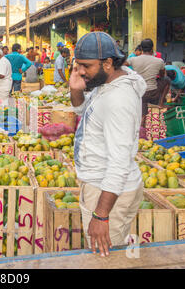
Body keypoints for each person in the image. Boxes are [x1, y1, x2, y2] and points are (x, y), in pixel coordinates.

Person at [70, 31, 146, 257]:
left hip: (108, 191)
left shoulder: (118, 99)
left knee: (106, 259)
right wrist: (76, 90)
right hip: (100, 184)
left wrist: (101, 215)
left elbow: (120, 163)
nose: (81, 71)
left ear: (108, 63)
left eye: (87, 65)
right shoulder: (106, 83)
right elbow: (85, 112)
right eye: (78, 65)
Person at [126, 38, 166, 126]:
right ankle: (161, 104)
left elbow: (121, 66)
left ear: (141, 49)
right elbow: (162, 75)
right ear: (152, 48)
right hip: (153, 92)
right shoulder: (159, 61)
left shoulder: (133, 60)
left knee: (142, 112)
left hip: (139, 92)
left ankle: (141, 129)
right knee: (167, 80)